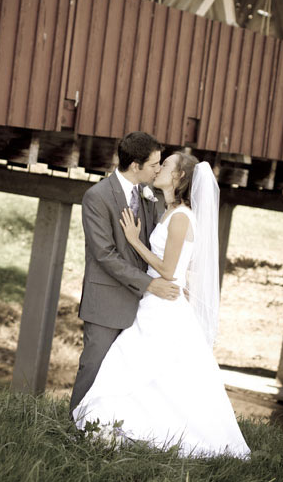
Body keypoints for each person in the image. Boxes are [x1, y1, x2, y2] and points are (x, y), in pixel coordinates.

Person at [72, 151, 251, 459]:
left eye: (165, 165)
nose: (158, 168)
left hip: (163, 304)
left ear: (179, 176)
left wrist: (133, 240)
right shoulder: (168, 211)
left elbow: (169, 271)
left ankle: (162, 433)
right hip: (154, 301)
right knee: (142, 370)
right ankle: (132, 427)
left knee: (141, 366)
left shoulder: (181, 217)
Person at [69, 132, 180, 416]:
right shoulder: (97, 196)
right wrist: (150, 284)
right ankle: (74, 426)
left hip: (142, 306)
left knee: (125, 375)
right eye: (154, 164)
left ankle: (111, 428)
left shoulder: (150, 196)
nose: (158, 169)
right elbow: (104, 254)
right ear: (135, 165)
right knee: (93, 367)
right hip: (106, 301)